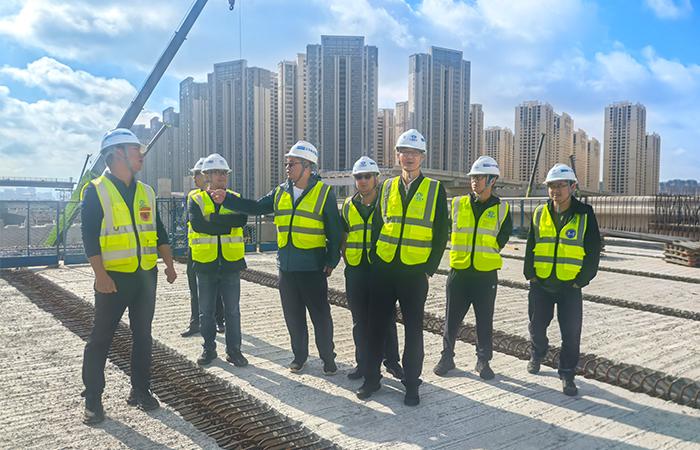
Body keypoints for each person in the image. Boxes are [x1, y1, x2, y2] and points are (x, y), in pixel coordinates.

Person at [212, 141, 341, 375]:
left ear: (307, 166)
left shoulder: (324, 193)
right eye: (286, 164)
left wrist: (331, 261)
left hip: (312, 267)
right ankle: (299, 357)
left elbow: (334, 230)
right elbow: (255, 207)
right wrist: (227, 199)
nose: (287, 168)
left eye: (292, 164)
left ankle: (328, 358)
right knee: (293, 315)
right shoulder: (281, 191)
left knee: (320, 315)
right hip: (287, 266)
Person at [80, 128, 177, 425]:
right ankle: (93, 399)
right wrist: (100, 275)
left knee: (143, 336)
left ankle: (141, 390)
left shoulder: (146, 191)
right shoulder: (96, 190)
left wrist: (169, 264)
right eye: (136, 150)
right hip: (113, 279)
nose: (141, 155)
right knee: (101, 338)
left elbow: (159, 231)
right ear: (117, 154)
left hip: (145, 276)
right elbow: (89, 236)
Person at [356, 129, 449, 406]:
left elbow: (441, 232)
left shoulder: (434, 189)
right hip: (384, 269)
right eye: (404, 152)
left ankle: (411, 384)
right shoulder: (386, 187)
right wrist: (376, 259)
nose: (409, 157)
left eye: (414, 153)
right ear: (398, 156)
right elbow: (378, 224)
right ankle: (371, 379)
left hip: (414, 272)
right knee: (376, 327)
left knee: (413, 331)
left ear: (422, 157)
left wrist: (428, 268)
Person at [524, 163, 601, 396]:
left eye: (560, 185)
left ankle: (567, 373)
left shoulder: (584, 214)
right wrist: (531, 275)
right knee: (536, 327)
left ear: (572, 187)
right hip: (541, 284)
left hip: (570, 286)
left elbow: (593, 250)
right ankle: (538, 352)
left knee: (571, 334)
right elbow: (531, 244)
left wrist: (582, 280)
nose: (555, 190)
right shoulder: (540, 212)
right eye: (551, 186)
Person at [433, 156, 512, 380]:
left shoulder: (502, 209)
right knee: (451, 319)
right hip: (459, 273)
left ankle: (483, 361)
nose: (474, 181)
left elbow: (504, 235)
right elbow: (445, 229)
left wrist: (490, 249)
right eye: (473, 177)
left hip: (485, 275)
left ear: (492, 180)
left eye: (479, 177)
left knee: (484, 320)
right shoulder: (458, 204)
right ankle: (447, 357)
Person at [341, 156, 403, 381]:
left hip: (381, 271)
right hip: (356, 272)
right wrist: (346, 258)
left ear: (376, 178)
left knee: (386, 319)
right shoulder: (348, 205)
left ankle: (392, 362)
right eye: (359, 177)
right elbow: (344, 235)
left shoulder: (386, 204)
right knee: (359, 321)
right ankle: (363, 364)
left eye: (367, 176)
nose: (363, 180)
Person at [188, 153, 249, 367]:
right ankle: (209, 349)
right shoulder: (195, 199)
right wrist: (226, 223)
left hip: (231, 262)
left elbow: (241, 220)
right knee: (206, 312)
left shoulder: (235, 197)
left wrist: (212, 220)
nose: (221, 176)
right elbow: (198, 225)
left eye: (224, 172)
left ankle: (234, 351)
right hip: (206, 263)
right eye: (216, 172)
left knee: (232, 311)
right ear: (207, 175)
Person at [181, 157, 225, 337]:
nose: (194, 178)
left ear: (205, 175)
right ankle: (195, 322)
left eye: (196, 174)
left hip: (214, 250)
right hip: (195, 250)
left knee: (216, 287)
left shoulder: (217, 196)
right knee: (194, 287)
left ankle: (219, 320)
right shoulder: (193, 197)